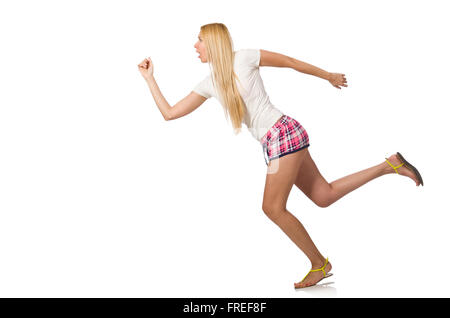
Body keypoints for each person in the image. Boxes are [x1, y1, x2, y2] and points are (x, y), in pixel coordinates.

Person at [137, 23, 424, 289]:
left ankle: (319, 264)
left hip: (283, 135)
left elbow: (290, 62)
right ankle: (390, 166)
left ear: (212, 42)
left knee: (272, 208)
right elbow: (170, 113)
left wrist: (328, 76)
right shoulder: (210, 83)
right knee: (323, 195)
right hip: (276, 141)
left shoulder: (244, 57)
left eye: (199, 40)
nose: (195, 45)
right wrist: (150, 79)